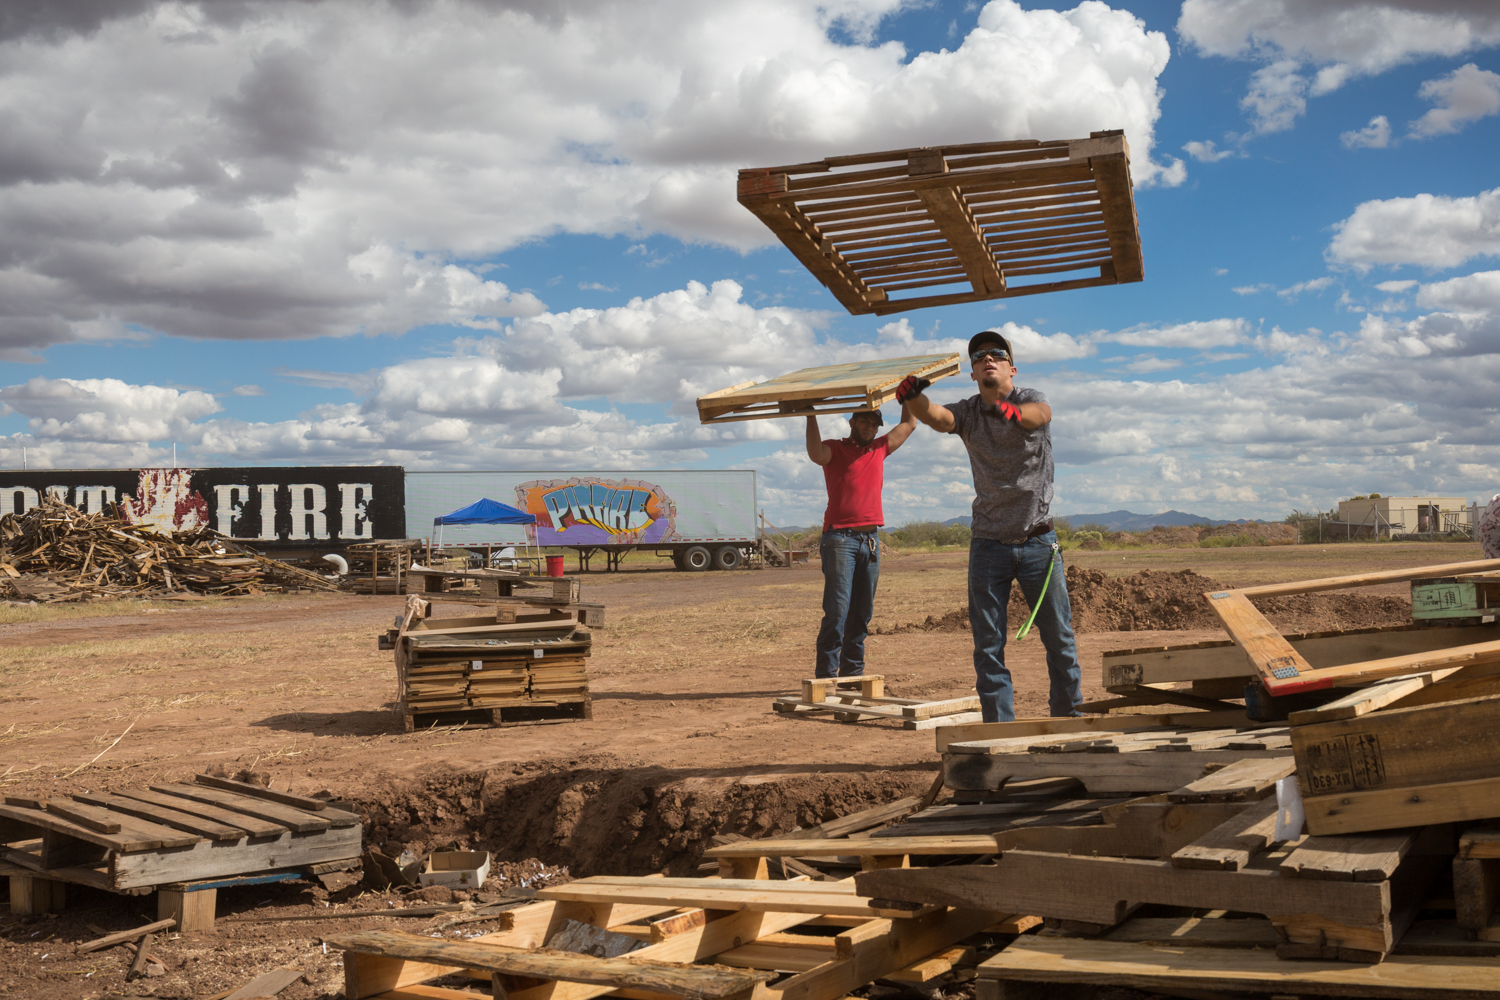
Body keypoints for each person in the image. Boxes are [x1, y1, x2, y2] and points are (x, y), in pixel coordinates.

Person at [895, 331, 1081, 722]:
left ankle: (1069, 722)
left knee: (1060, 640)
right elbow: (936, 416)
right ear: (974, 372)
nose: (988, 358)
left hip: (1038, 543)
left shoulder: (1030, 399)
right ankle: (999, 731)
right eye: (979, 356)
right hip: (988, 546)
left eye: (997, 353)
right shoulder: (968, 412)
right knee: (988, 646)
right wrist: (913, 396)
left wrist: (1007, 411)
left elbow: (1039, 416)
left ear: (1011, 368)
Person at [805, 404, 917, 678]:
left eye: (874, 424)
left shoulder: (879, 448)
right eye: (864, 422)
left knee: (862, 611)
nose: (869, 427)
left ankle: (852, 673)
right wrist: (811, 415)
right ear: (852, 421)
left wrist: (908, 396)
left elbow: (910, 424)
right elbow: (815, 454)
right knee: (837, 610)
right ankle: (827, 676)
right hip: (839, 538)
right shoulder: (835, 448)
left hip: (871, 541)